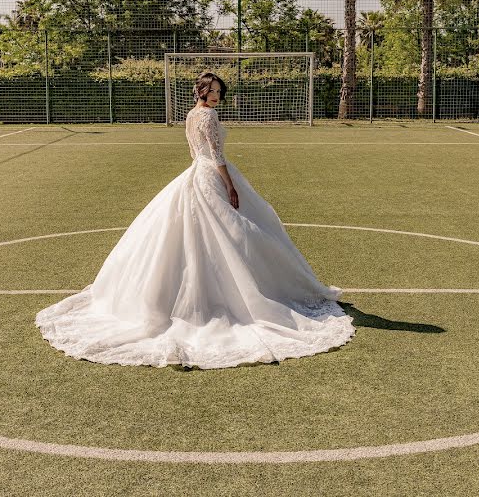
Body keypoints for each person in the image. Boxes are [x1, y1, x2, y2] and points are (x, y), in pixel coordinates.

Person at [35, 71, 354, 369]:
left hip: (193, 176)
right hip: (211, 177)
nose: (215, 96)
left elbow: (194, 153)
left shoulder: (190, 115)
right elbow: (216, 156)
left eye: (218, 92)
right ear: (201, 91)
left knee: (202, 236)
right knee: (238, 233)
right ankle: (242, 297)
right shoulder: (209, 116)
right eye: (211, 91)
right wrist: (230, 185)